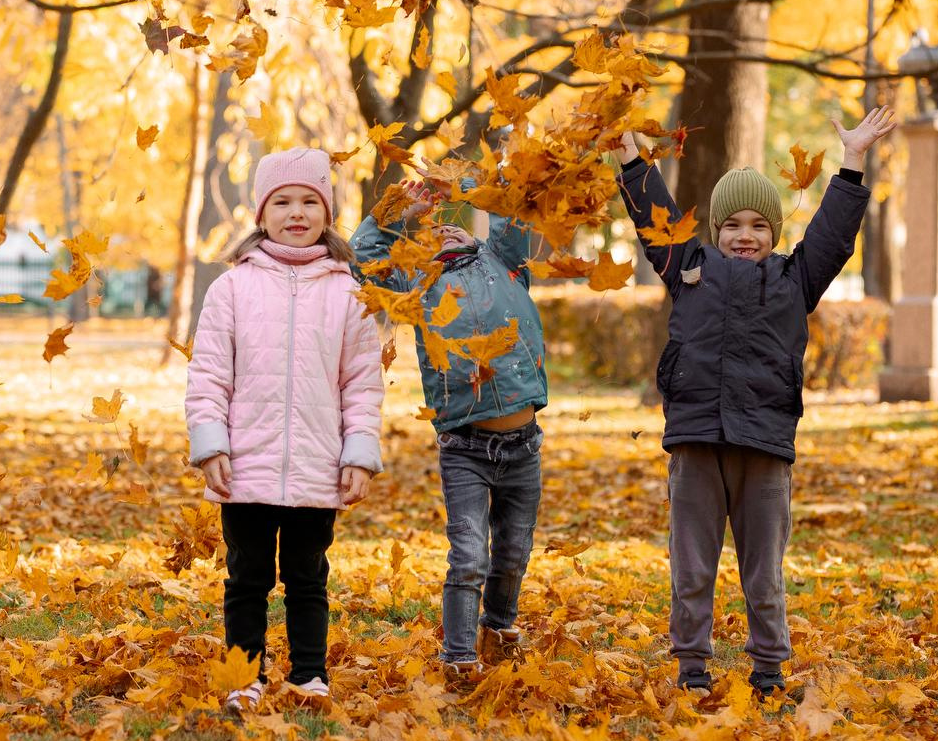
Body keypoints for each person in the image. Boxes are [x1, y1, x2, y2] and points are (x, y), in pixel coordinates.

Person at [615, 106, 897, 695]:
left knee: (763, 571)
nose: (745, 236)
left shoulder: (794, 281)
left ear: (775, 234)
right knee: (691, 566)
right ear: (715, 231)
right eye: (733, 225)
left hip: (764, 445)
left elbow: (832, 234)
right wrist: (630, 158)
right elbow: (655, 220)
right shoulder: (687, 268)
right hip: (696, 441)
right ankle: (692, 665)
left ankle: (768, 668)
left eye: (759, 226)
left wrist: (853, 160)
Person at [186, 148, 384, 711]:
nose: (296, 213)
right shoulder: (231, 290)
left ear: (326, 212)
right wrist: (210, 445)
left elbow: (363, 383)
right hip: (243, 461)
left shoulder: (348, 294)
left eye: (308, 202)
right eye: (282, 201)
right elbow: (207, 376)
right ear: (261, 213)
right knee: (247, 577)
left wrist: (358, 453)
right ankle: (244, 677)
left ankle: (308, 676)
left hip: (317, 462)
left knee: (306, 576)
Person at [351, 183, 550, 679]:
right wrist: (395, 212)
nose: (441, 227)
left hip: (524, 446)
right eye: (428, 229)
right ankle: (459, 658)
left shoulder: (505, 260)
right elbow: (362, 263)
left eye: (449, 219)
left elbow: (510, 212)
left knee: (513, 552)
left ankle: (498, 626)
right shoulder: (419, 284)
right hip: (465, 446)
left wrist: (471, 186)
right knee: (468, 556)